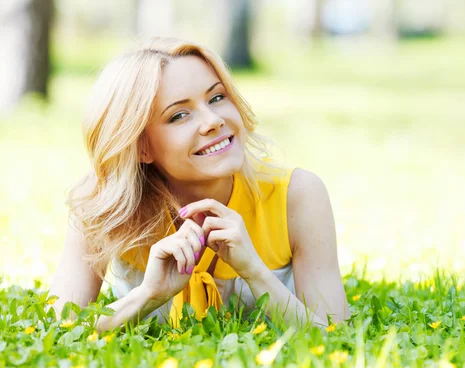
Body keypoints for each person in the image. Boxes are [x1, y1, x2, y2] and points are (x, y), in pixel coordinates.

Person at [49, 37, 350, 332]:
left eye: (217, 97)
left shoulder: (297, 195)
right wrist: (148, 295)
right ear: (141, 146)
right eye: (179, 115)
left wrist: (254, 272)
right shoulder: (101, 202)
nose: (213, 120)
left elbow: (334, 334)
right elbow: (61, 329)